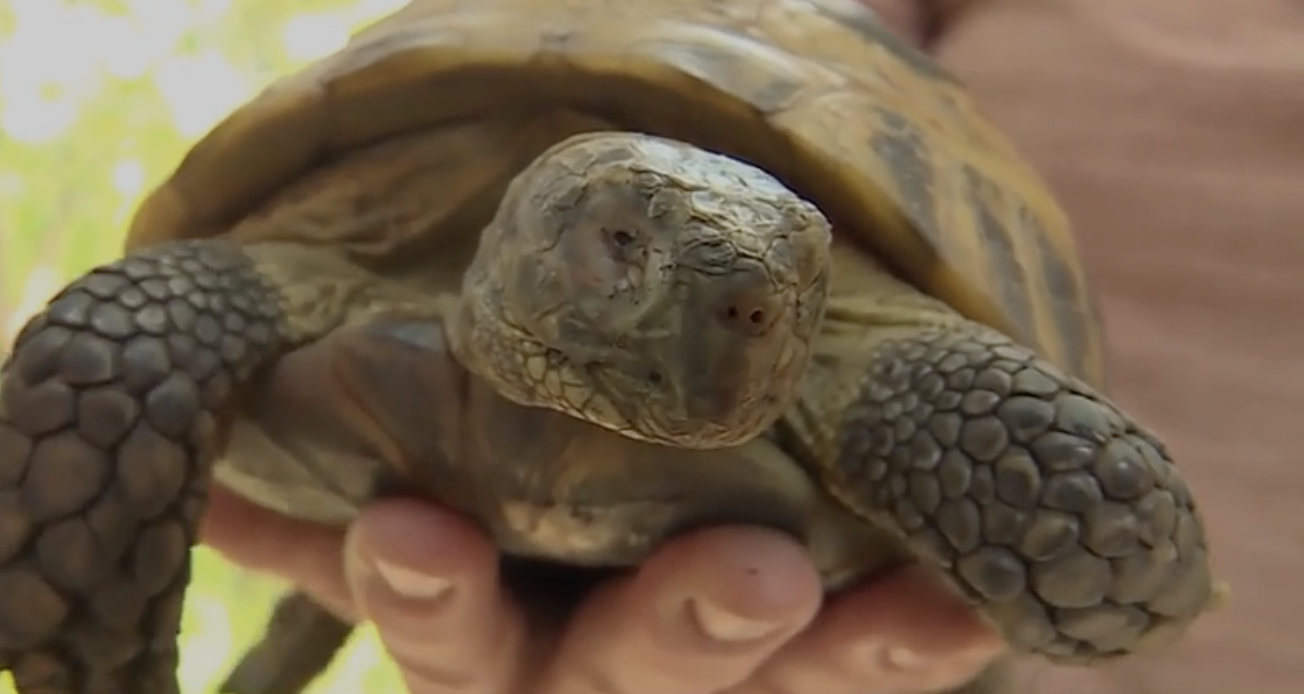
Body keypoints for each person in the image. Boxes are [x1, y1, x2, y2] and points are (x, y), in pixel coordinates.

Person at [202, 0, 1304, 691]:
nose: (736, 310)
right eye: (622, 248)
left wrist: (1122, 582)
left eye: (775, 305)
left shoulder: (894, 378)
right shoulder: (349, 235)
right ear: (529, 226)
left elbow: (1107, 562)